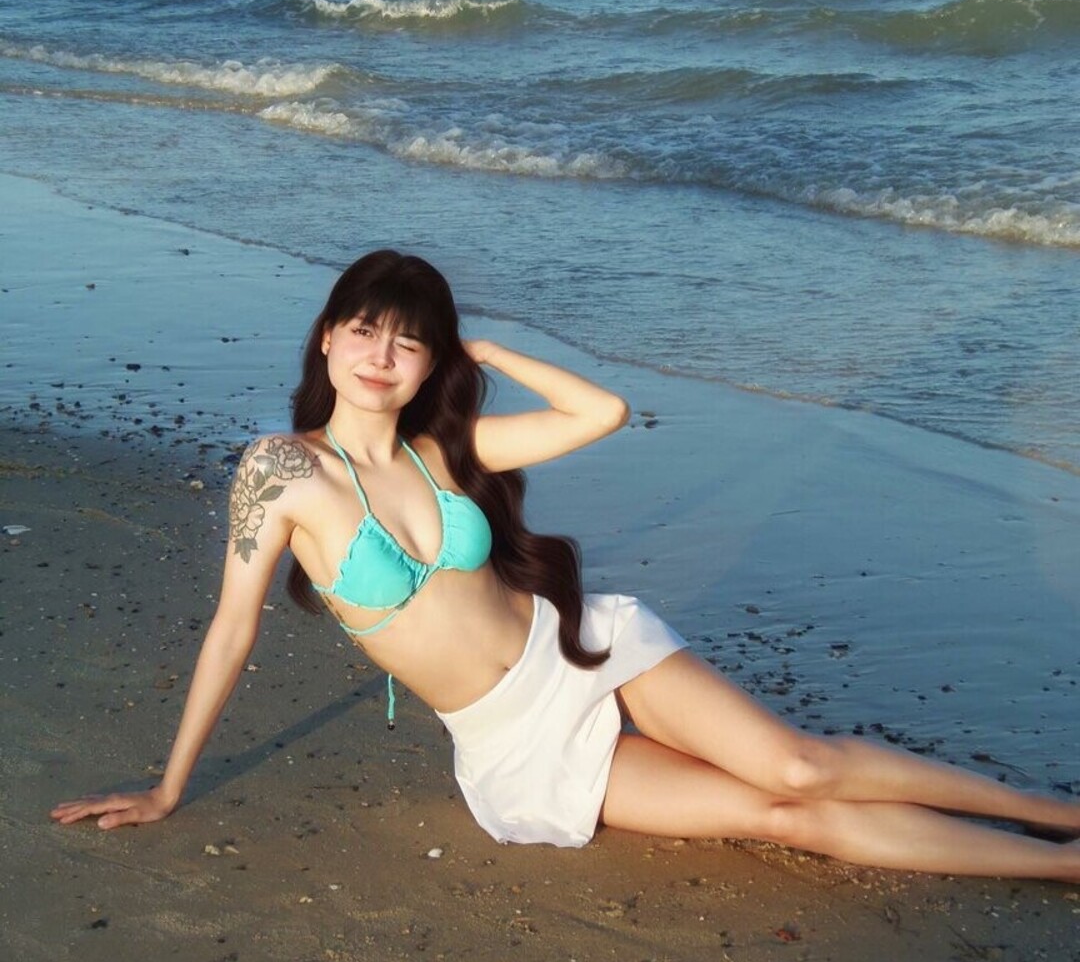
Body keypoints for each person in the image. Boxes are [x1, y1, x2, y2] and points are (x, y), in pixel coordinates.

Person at [52, 250, 1080, 880]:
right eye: (364, 331)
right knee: (784, 816)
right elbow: (232, 630)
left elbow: (603, 412)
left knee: (797, 765)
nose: (381, 356)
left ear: (431, 362)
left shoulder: (447, 448)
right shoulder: (281, 471)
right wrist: (168, 787)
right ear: (326, 339)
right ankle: (1060, 868)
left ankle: (1057, 816)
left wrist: (491, 355)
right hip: (517, 745)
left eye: (410, 343)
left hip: (584, 651)